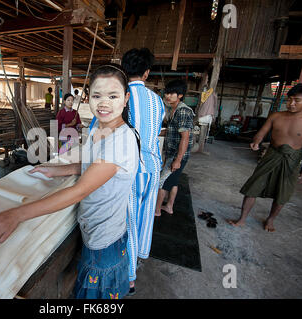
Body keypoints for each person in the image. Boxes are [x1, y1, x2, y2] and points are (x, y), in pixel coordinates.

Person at [0, 64, 139, 299]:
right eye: (97, 95)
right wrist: (58, 170)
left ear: (125, 99)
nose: (104, 103)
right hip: (95, 230)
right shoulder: (101, 130)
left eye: (113, 96)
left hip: (104, 240)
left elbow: (79, 191)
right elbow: (93, 166)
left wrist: (15, 214)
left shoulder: (121, 140)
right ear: (87, 98)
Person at [89, 48, 165, 294]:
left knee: (127, 221)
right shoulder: (157, 100)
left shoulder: (117, 95)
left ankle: (129, 277)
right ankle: (139, 258)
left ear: (122, 68)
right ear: (146, 72)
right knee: (143, 218)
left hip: (127, 166)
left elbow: (97, 132)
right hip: (151, 167)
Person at [227, 83, 302, 232]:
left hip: (292, 161)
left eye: (297, 100)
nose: (291, 103)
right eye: (289, 100)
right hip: (271, 155)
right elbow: (262, 132)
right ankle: (242, 219)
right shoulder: (277, 116)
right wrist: (256, 141)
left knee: (282, 193)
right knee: (252, 187)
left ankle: (270, 219)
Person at [155, 79, 194, 216]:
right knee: (174, 181)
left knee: (162, 182)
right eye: (167, 93)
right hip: (173, 152)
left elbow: (185, 137)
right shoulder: (173, 109)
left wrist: (178, 160)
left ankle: (157, 211)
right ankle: (169, 206)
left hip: (178, 155)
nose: (167, 96)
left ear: (180, 95)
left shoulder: (183, 111)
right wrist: (154, 132)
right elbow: (171, 130)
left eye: (172, 93)